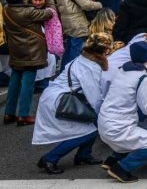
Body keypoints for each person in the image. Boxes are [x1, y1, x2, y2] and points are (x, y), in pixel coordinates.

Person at [32, 33, 113, 174]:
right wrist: (105, 115)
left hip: (56, 96)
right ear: (104, 51)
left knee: (91, 124)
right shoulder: (91, 67)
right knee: (88, 131)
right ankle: (50, 158)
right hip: (60, 100)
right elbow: (94, 98)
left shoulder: (83, 59)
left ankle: (84, 155)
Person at [99, 42, 147, 183]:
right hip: (118, 128)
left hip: (104, 122)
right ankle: (121, 169)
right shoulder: (142, 78)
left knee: (138, 135)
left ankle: (111, 160)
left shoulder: (122, 70)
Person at [2, 0, 54, 126]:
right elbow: (50, 13)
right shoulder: (29, 11)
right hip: (31, 51)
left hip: (16, 49)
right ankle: (23, 115)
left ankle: (9, 113)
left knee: (14, 80)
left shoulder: (6, 10)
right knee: (28, 84)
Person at [55, 0, 103, 71]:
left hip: (67, 20)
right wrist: (100, 4)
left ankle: (64, 70)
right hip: (77, 21)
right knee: (75, 49)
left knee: (69, 47)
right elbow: (85, 4)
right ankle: (70, 72)